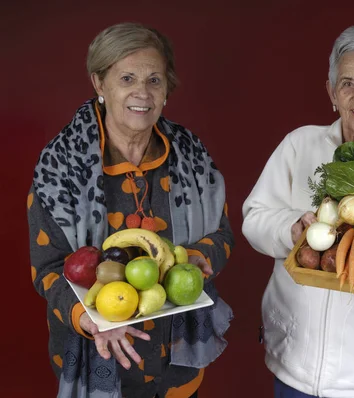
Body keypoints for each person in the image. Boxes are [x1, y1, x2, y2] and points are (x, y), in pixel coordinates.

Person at [27, 22, 234, 398]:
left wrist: (197, 261)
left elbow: (222, 234)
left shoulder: (191, 155)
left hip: (177, 363)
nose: (143, 92)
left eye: (155, 80)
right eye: (127, 78)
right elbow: (47, 269)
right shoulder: (60, 166)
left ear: (167, 89)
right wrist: (92, 321)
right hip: (98, 357)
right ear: (99, 84)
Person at [242, 24, 354, 398]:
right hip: (294, 363)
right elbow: (254, 218)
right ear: (331, 92)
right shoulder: (299, 144)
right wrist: (290, 230)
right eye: (347, 83)